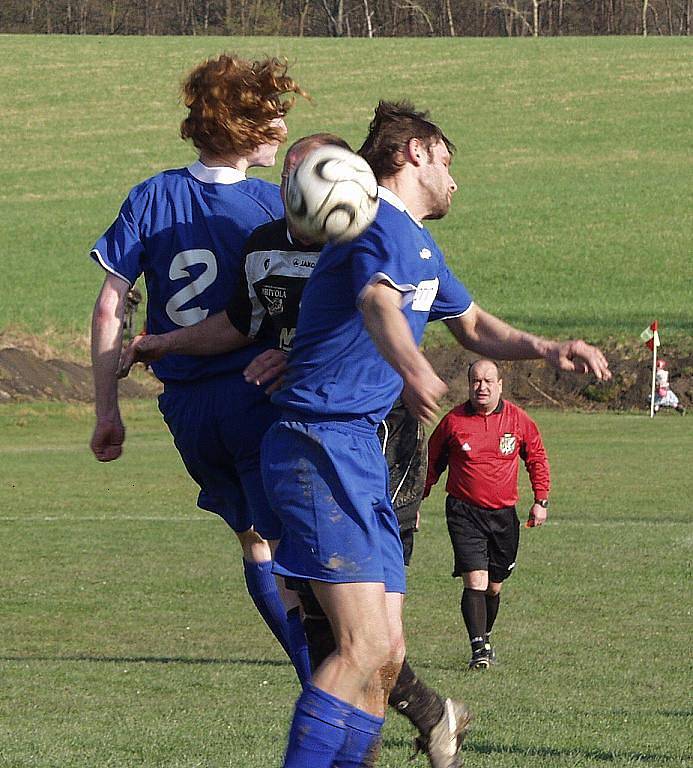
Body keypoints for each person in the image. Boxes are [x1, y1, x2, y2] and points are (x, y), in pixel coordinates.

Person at [259, 100, 610, 768]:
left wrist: (544, 345)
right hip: (320, 443)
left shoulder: (417, 243)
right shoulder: (372, 222)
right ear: (414, 152)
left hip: (357, 450)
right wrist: (413, 365)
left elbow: (473, 325)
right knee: (360, 650)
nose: (453, 179)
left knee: (383, 656)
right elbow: (376, 301)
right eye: (447, 161)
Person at [120, 132, 473, 768]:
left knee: (371, 642)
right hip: (312, 438)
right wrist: (161, 344)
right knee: (340, 633)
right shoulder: (265, 246)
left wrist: (402, 367)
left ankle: (425, 713)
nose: (294, 189)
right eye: (289, 177)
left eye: (307, 173)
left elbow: (378, 306)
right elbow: (241, 324)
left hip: (379, 437)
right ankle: (419, 719)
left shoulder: (368, 235)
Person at [88, 53, 311, 685]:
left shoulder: (152, 197)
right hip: (259, 396)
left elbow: (110, 309)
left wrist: (107, 410)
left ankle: (318, 678)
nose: (281, 132)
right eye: (272, 119)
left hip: (187, 414)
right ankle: (333, 689)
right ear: (244, 128)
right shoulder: (273, 208)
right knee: (298, 551)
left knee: (254, 544)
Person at [425, 359, 551, 670]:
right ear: (468, 385)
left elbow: (536, 457)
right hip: (463, 512)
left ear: (500, 385)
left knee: (494, 585)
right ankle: (478, 650)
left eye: (488, 381)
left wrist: (541, 500)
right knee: (475, 581)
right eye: (476, 381)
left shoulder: (518, 420)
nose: (482, 387)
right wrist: (414, 503)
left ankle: (486, 633)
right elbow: (430, 464)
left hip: (503, 516)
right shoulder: (453, 422)